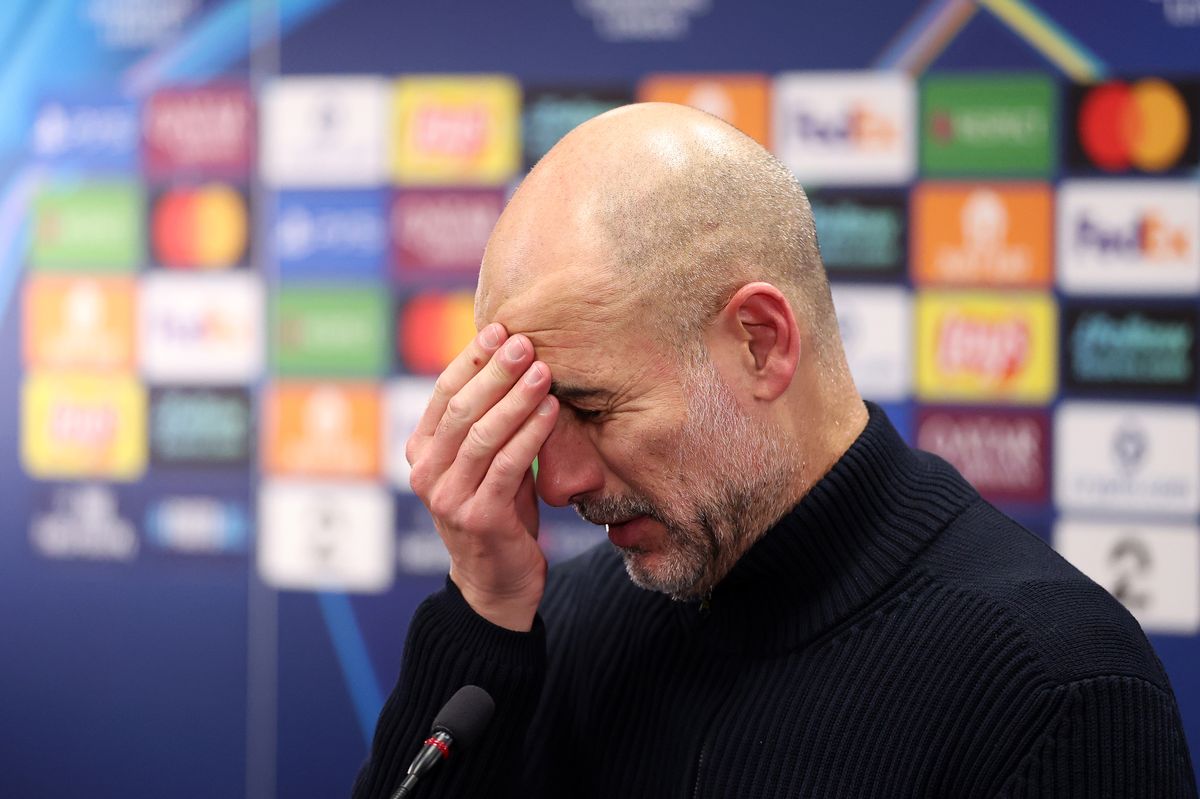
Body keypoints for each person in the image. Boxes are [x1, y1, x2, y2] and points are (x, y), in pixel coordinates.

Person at [353, 103, 1197, 798]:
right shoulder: (564, 623)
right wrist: (488, 608)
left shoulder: (1056, 685)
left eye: (594, 407)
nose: (559, 481)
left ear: (760, 342)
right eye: (538, 418)